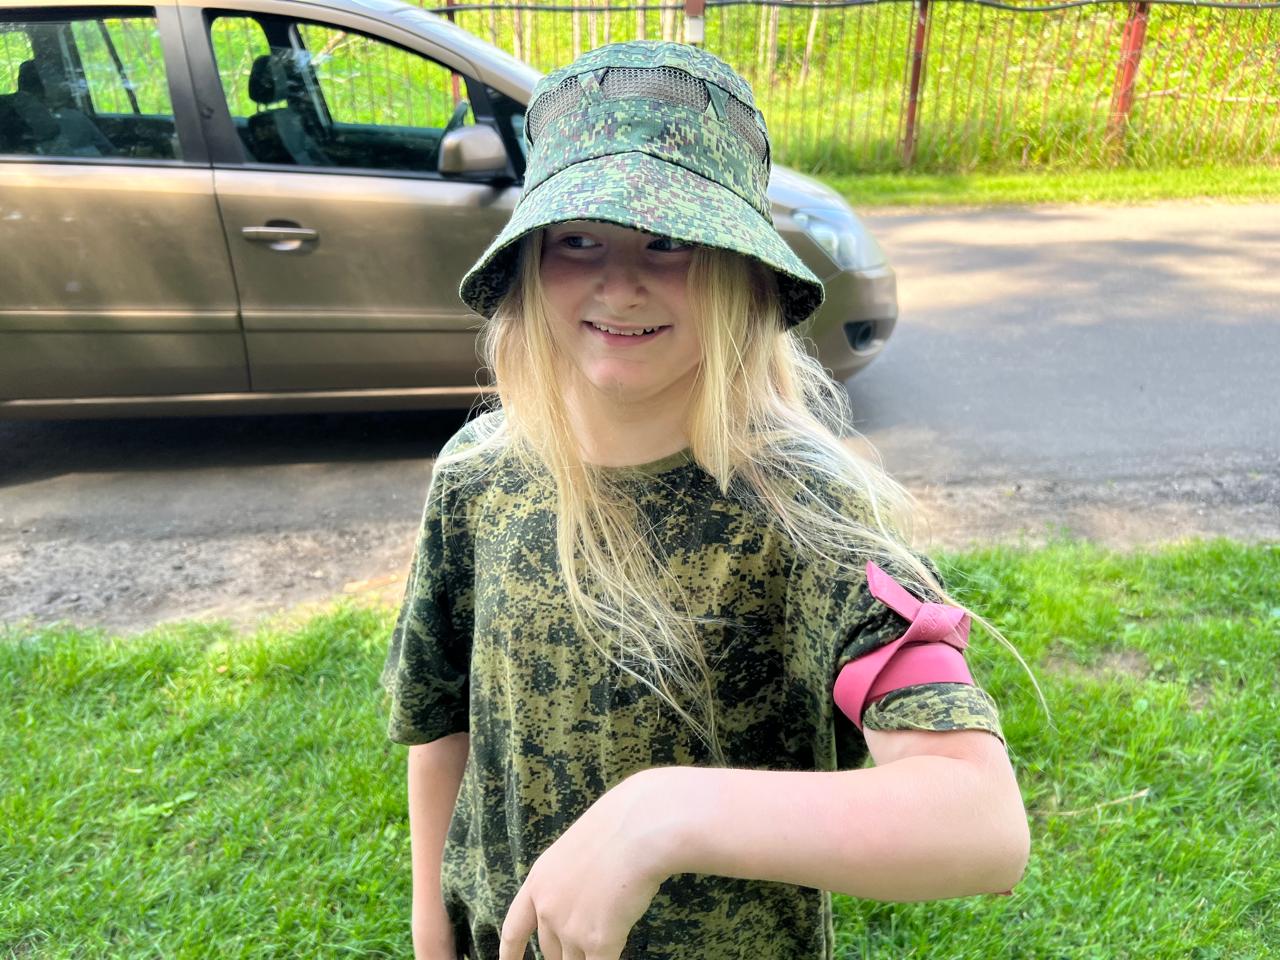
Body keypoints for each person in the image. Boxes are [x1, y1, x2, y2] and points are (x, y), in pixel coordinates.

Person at [382, 40, 1030, 960]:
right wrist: (430, 925)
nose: (620, 283)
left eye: (669, 241)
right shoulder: (477, 475)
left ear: (740, 269)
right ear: (528, 261)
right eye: (578, 239)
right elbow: (441, 721)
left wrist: (666, 814)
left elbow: (980, 822)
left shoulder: (802, 519)